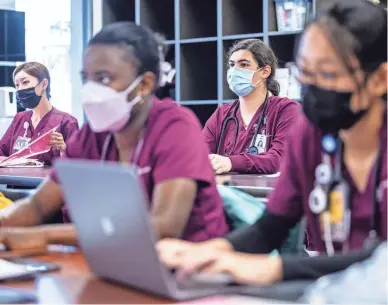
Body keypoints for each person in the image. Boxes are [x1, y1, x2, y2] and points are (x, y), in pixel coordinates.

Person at [157, 0, 387, 286]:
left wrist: (276, 270)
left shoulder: (287, 114)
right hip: (335, 285)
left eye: (327, 74)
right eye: (304, 72)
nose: (312, 88)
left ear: (379, 79)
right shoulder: (311, 133)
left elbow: (381, 260)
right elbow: (270, 229)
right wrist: (209, 252)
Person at [0, 22, 229, 250]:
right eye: (87, 79)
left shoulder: (175, 126)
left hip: (187, 272)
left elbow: (163, 227)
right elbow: (39, 205)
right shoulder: (93, 134)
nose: (91, 91)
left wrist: (46, 236)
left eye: (105, 79)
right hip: (113, 262)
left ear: (145, 84)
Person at [203, 39, 300, 175]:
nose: (234, 71)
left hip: (266, 194)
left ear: (265, 72)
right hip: (226, 192)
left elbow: (279, 158)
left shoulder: (286, 110)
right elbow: (199, 155)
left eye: (243, 65)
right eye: (232, 65)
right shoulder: (222, 114)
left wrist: (230, 162)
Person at [0, 62, 79, 165]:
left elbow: (78, 165)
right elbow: (2, 152)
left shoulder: (67, 122)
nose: (20, 89)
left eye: (25, 82)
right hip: (16, 180)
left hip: (47, 181)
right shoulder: (19, 119)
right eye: (17, 85)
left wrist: (64, 150)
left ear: (43, 84)